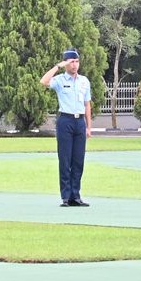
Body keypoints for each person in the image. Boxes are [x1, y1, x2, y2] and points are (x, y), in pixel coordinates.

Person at [41, 49, 92, 207]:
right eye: (71, 62)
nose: (75, 65)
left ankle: (75, 196)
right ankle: (66, 196)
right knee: (65, 160)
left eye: (76, 62)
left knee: (78, 161)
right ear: (66, 64)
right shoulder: (60, 80)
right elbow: (44, 81)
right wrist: (58, 66)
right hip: (65, 121)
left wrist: (89, 126)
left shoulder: (84, 81)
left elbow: (87, 104)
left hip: (79, 122)